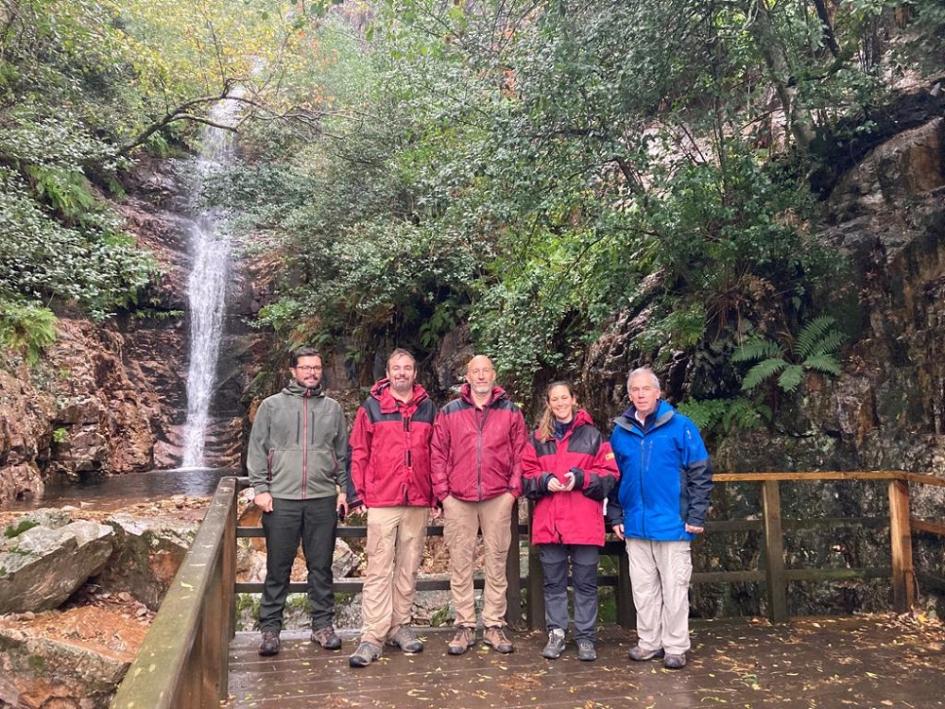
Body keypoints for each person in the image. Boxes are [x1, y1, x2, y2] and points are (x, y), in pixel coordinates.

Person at [607, 367, 712, 670]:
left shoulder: (681, 426)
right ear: (629, 395)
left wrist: (695, 514)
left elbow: (700, 473)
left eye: (646, 389)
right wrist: (615, 515)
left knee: (675, 588)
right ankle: (649, 642)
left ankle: (676, 646)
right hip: (636, 524)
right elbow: (614, 478)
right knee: (643, 589)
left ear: (658, 392)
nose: (640, 394)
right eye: (634, 390)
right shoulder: (621, 431)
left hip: (673, 523)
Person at [247, 347, 349, 657]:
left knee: (321, 567)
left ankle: (322, 625)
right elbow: (256, 449)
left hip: (321, 499)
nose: (311, 373)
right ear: (292, 371)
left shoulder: (333, 409)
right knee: (279, 567)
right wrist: (260, 489)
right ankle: (270, 630)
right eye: (305, 367)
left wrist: (344, 489)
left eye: (316, 367)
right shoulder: (271, 406)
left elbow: (342, 454)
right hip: (282, 500)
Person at [431, 354, 527, 655]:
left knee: (497, 560)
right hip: (458, 498)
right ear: (468, 377)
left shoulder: (511, 412)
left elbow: (521, 454)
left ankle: (494, 626)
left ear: (494, 375)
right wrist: (443, 494)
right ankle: (464, 626)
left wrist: (513, 491)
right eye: (476, 371)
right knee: (461, 561)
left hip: (498, 496)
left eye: (486, 371)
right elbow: (437, 454)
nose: (481, 376)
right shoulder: (449, 412)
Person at [347, 348, 438, 667]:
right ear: (388, 372)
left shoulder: (427, 407)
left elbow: (435, 452)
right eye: (396, 368)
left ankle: (400, 625)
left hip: (417, 499)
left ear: (415, 373)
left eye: (407, 368)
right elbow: (358, 451)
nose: (402, 373)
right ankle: (372, 634)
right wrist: (357, 493)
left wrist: (436, 494)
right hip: (383, 498)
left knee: (409, 566)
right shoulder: (371, 407)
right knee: (378, 567)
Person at [522, 381, 619, 662]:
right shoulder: (539, 438)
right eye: (555, 399)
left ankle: (586, 637)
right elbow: (525, 476)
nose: (561, 403)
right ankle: (557, 633)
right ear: (549, 403)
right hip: (550, 523)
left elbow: (610, 475)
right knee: (553, 583)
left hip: (583, 522)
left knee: (586, 583)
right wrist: (544, 481)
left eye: (565, 397)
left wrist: (581, 478)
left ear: (574, 399)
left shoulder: (593, 436)